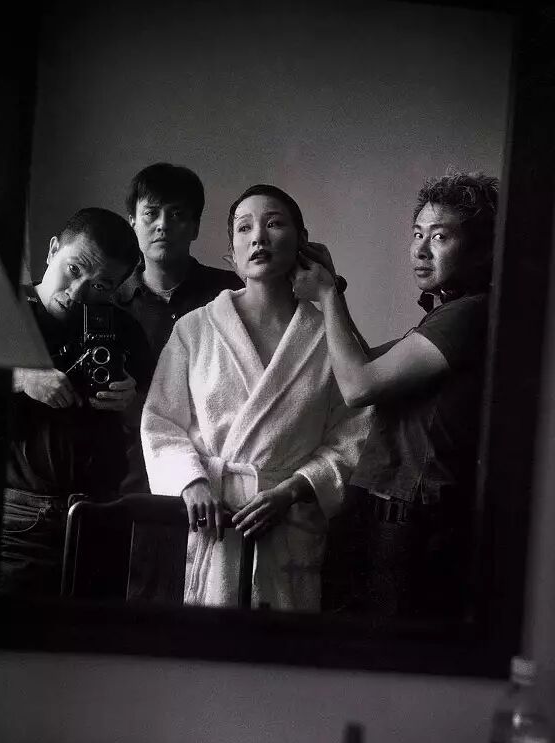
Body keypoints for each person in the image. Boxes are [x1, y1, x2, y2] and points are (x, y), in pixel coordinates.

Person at [141, 184, 372, 611]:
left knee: (282, 648)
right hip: (215, 521)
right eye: (244, 228)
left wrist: (292, 490)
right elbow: (160, 423)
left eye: (274, 224)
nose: (259, 237)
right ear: (232, 253)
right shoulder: (194, 329)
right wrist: (191, 482)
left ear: (302, 240)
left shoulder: (329, 336)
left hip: (290, 526)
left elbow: (353, 435)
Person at [292, 171, 496, 618]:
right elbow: (364, 361)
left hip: (408, 524)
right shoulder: (449, 313)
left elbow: (358, 386)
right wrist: (333, 288)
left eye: (439, 237)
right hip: (390, 515)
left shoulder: (469, 315)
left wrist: (327, 295)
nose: (420, 250)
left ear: (482, 247)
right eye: (417, 234)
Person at [0, 207, 154, 597]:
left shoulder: (124, 328)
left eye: (101, 286)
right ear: (53, 249)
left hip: (102, 514)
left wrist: (130, 402)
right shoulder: (6, 313)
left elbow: (161, 422)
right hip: (20, 515)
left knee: (93, 631)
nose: (78, 292)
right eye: (74, 269)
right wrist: (22, 378)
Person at [115, 163, 243, 496]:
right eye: (151, 214)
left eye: (176, 214)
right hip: (126, 476)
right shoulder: (110, 302)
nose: (162, 225)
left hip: (217, 480)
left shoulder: (231, 293)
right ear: (132, 222)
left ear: (195, 227)